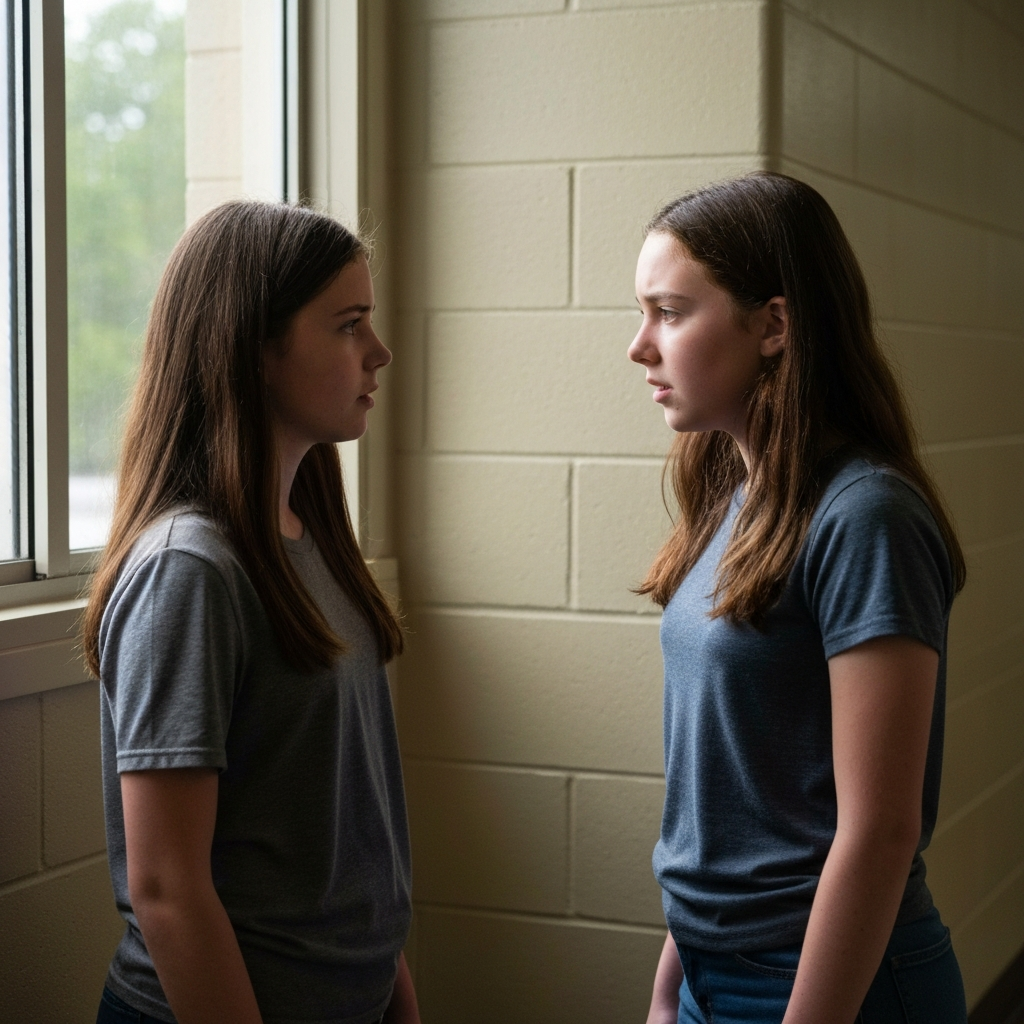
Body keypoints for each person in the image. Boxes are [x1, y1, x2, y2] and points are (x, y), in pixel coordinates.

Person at [627, 172, 968, 1024]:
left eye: (670, 312)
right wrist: (675, 979)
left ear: (774, 325)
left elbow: (882, 831)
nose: (640, 345)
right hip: (714, 970)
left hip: (828, 981)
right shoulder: (733, 501)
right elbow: (741, 784)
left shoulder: (867, 517)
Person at [82, 201, 419, 1024]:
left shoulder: (314, 540)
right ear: (256, 350)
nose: (378, 353)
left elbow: (348, 838)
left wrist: (392, 998)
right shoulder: (189, 572)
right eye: (348, 326)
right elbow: (166, 891)